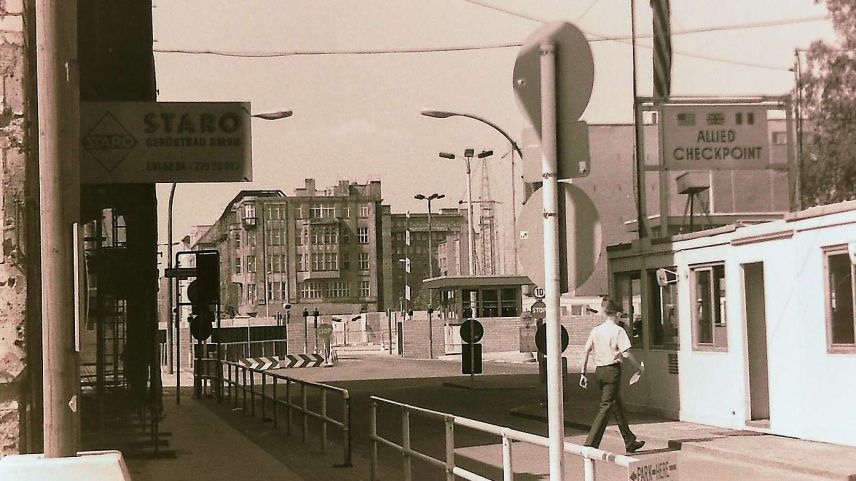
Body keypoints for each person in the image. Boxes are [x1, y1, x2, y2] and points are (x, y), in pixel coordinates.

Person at [579, 298, 645, 453]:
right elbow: (627, 353)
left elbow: (586, 351)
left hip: (599, 371)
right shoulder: (618, 331)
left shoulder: (596, 330)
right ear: (617, 314)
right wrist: (639, 367)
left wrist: (582, 373)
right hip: (612, 371)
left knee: (617, 405)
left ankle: (630, 441)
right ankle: (590, 444)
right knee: (606, 406)